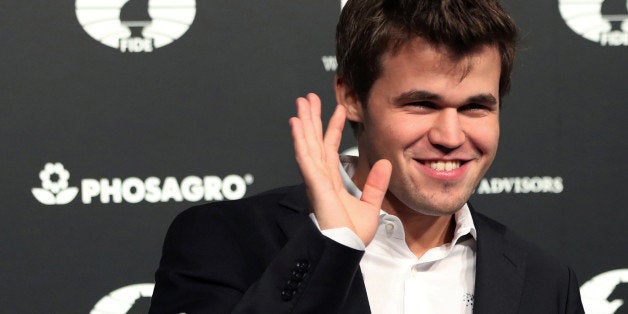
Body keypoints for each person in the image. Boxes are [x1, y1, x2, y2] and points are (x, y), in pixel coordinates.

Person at [149, 0, 585, 313]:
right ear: (352, 96)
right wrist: (330, 247)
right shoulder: (222, 241)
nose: (451, 136)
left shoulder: (545, 282)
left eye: (475, 107)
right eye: (422, 104)